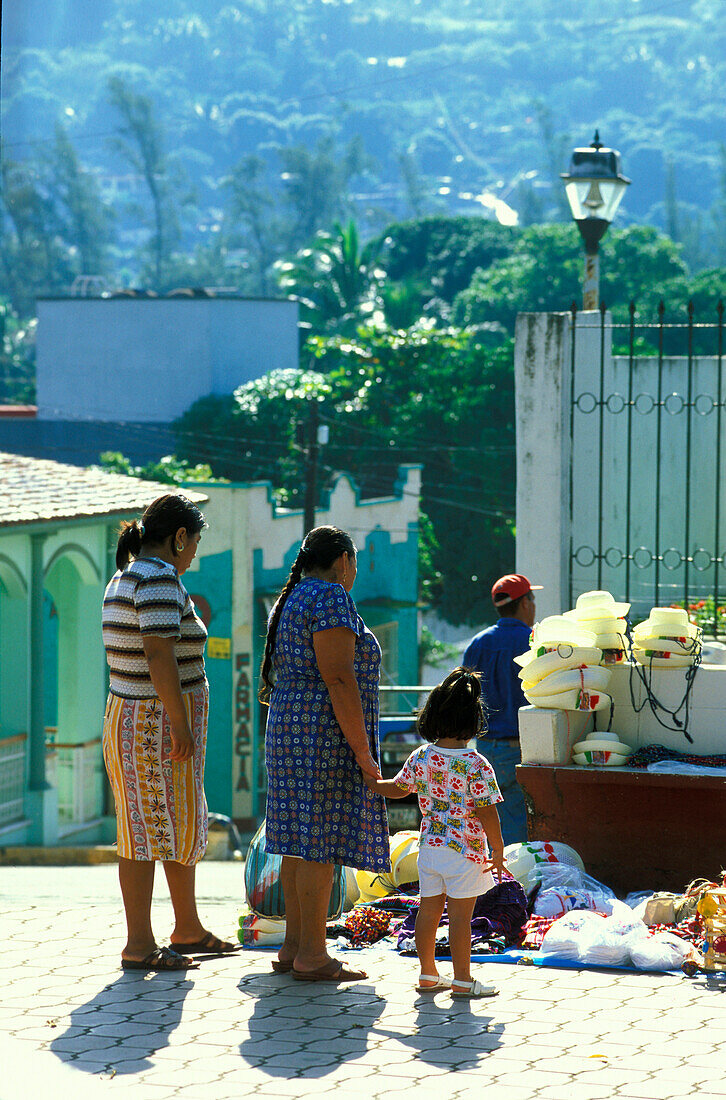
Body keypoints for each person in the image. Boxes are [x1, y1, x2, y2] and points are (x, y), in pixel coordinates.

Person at [102, 493, 238, 971]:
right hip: (154, 725)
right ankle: (139, 944)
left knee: (174, 824)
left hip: (135, 719)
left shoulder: (126, 576)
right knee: (143, 832)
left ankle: (187, 928)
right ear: (179, 537)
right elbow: (159, 656)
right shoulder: (158, 579)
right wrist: (180, 723)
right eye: (195, 540)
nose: (196, 551)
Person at [260, 525, 389, 983]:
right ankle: (313, 954)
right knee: (316, 844)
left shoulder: (291, 597)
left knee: (296, 840)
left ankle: (294, 946)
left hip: (288, 725)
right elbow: (338, 677)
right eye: (353, 562)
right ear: (343, 562)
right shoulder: (331, 597)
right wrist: (363, 753)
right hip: (320, 731)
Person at [366, 668, 504, 999]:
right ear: (473, 720)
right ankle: (462, 980)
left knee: (427, 911)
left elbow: (398, 789)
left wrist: (370, 782)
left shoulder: (422, 756)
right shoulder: (477, 764)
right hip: (465, 852)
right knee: (460, 918)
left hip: (429, 848)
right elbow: (487, 811)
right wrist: (497, 851)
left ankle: (428, 974)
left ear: (432, 716)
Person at [461, 573, 541, 846]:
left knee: (487, 824)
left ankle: (492, 883)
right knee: (518, 828)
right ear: (525, 604)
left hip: (484, 750)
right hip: (522, 749)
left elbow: (464, 698)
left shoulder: (478, 643)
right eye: (532, 599)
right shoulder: (534, 641)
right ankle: (514, 885)